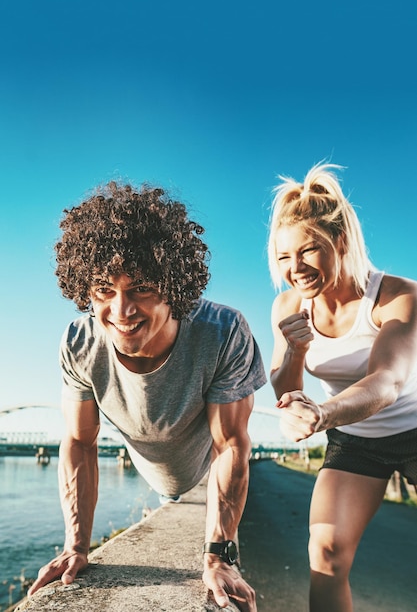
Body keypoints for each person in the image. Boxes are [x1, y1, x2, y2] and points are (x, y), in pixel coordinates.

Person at [28, 181, 266, 611]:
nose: (121, 311)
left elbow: (230, 445)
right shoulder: (79, 344)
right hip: (152, 470)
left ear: (174, 285)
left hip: (202, 469)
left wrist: (218, 555)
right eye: (104, 289)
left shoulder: (222, 332)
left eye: (141, 288)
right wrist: (76, 545)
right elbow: (80, 443)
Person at [267, 163, 417, 612]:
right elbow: (285, 385)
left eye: (309, 251)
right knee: (326, 554)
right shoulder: (288, 305)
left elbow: (386, 382)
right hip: (356, 443)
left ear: (342, 243)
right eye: (283, 258)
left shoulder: (397, 295)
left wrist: (323, 413)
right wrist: (294, 353)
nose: (295, 269)